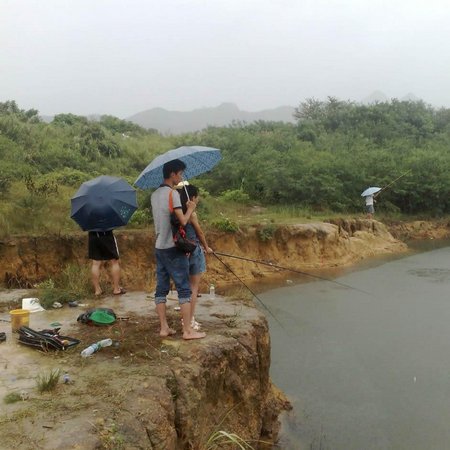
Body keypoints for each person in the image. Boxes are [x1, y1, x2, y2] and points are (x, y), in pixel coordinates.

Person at [150, 159, 206, 340]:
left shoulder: (154, 195)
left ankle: (164, 327)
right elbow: (182, 221)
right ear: (173, 174)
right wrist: (190, 208)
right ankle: (188, 331)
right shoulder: (172, 194)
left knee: (161, 289)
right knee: (184, 289)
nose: (180, 177)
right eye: (180, 173)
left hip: (159, 247)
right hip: (173, 248)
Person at [177, 183, 213, 331]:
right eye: (197, 197)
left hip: (181, 251)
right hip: (194, 251)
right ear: (192, 197)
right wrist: (207, 247)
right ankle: (190, 320)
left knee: (185, 287)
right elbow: (199, 233)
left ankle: (186, 318)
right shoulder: (192, 214)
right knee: (194, 288)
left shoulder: (177, 212)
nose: (197, 199)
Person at [88, 230, 126, 296]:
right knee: (114, 262)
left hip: (92, 235)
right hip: (106, 234)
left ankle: (97, 290)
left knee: (95, 263)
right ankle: (116, 289)